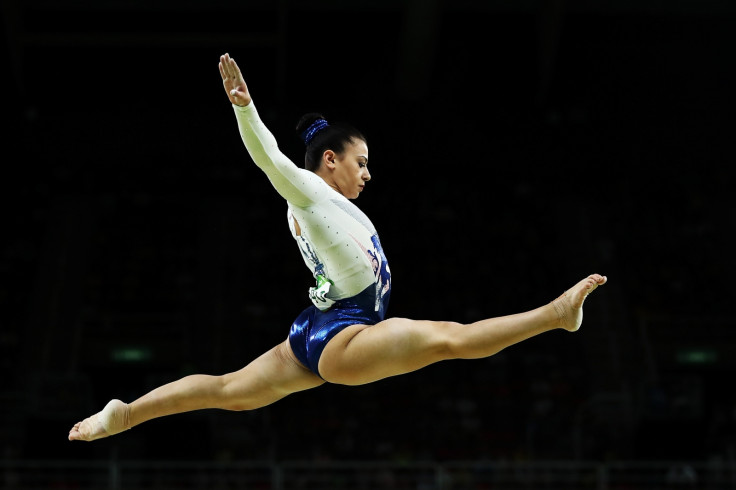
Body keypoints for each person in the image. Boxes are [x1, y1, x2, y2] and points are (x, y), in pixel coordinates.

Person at [68, 53, 607, 442]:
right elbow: (270, 160)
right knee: (450, 339)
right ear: (329, 160)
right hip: (345, 335)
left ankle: (125, 415)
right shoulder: (308, 194)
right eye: (361, 161)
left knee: (229, 389)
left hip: (314, 327)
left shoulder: (324, 206)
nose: (367, 173)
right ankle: (555, 316)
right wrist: (245, 110)